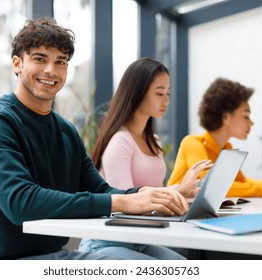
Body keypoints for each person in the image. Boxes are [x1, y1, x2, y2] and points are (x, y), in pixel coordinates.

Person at [0, 17, 190, 260]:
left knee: (179, 264)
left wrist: (143, 195)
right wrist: (121, 202)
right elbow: (20, 203)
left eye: (60, 62)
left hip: (50, 253)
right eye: (40, 59)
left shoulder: (66, 131)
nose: (51, 70)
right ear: (17, 64)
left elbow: (100, 189)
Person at [79, 58, 211, 259]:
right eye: (159, 93)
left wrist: (184, 194)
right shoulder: (120, 141)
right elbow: (126, 202)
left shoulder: (153, 141)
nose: (166, 100)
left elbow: (152, 194)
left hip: (139, 241)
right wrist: (178, 191)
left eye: (168, 93)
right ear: (137, 92)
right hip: (106, 242)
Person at [167, 77, 262, 197]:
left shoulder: (226, 148)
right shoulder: (192, 143)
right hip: (175, 218)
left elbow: (240, 183)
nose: (251, 122)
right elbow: (212, 186)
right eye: (246, 116)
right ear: (226, 116)